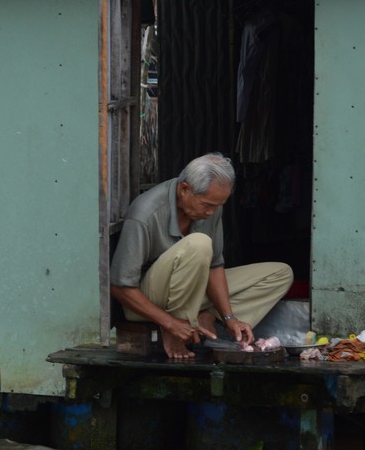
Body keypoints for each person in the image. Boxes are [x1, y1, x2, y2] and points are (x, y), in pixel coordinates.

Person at [110, 152, 294, 359]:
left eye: (218, 206)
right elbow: (120, 287)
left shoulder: (211, 208)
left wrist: (229, 317)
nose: (211, 212)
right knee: (199, 243)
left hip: (191, 292)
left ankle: (206, 317)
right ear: (184, 189)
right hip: (147, 301)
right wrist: (169, 323)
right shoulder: (145, 213)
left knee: (280, 274)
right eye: (207, 205)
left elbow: (215, 266)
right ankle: (178, 329)